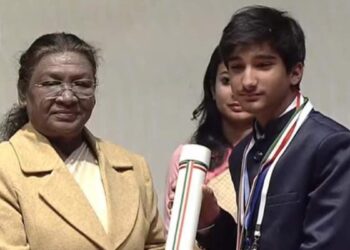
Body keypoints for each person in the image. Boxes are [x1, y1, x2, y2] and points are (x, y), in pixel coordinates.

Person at [196, 5, 350, 250]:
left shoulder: (332, 147)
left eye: (263, 65)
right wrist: (210, 220)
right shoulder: (242, 154)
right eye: (236, 67)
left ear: (295, 72)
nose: (247, 81)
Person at [0, 32, 165, 250]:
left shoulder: (132, 167)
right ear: (23, 92)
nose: (67, 97)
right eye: (51, 83)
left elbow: (155, 245)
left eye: (81, 84)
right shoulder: (6, 167)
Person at [164, 46, 253, 245]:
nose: (236, 91)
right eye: (226, 81)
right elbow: (174, 236)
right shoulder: (188, 157)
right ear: (212, 89)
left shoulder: (279, 153)